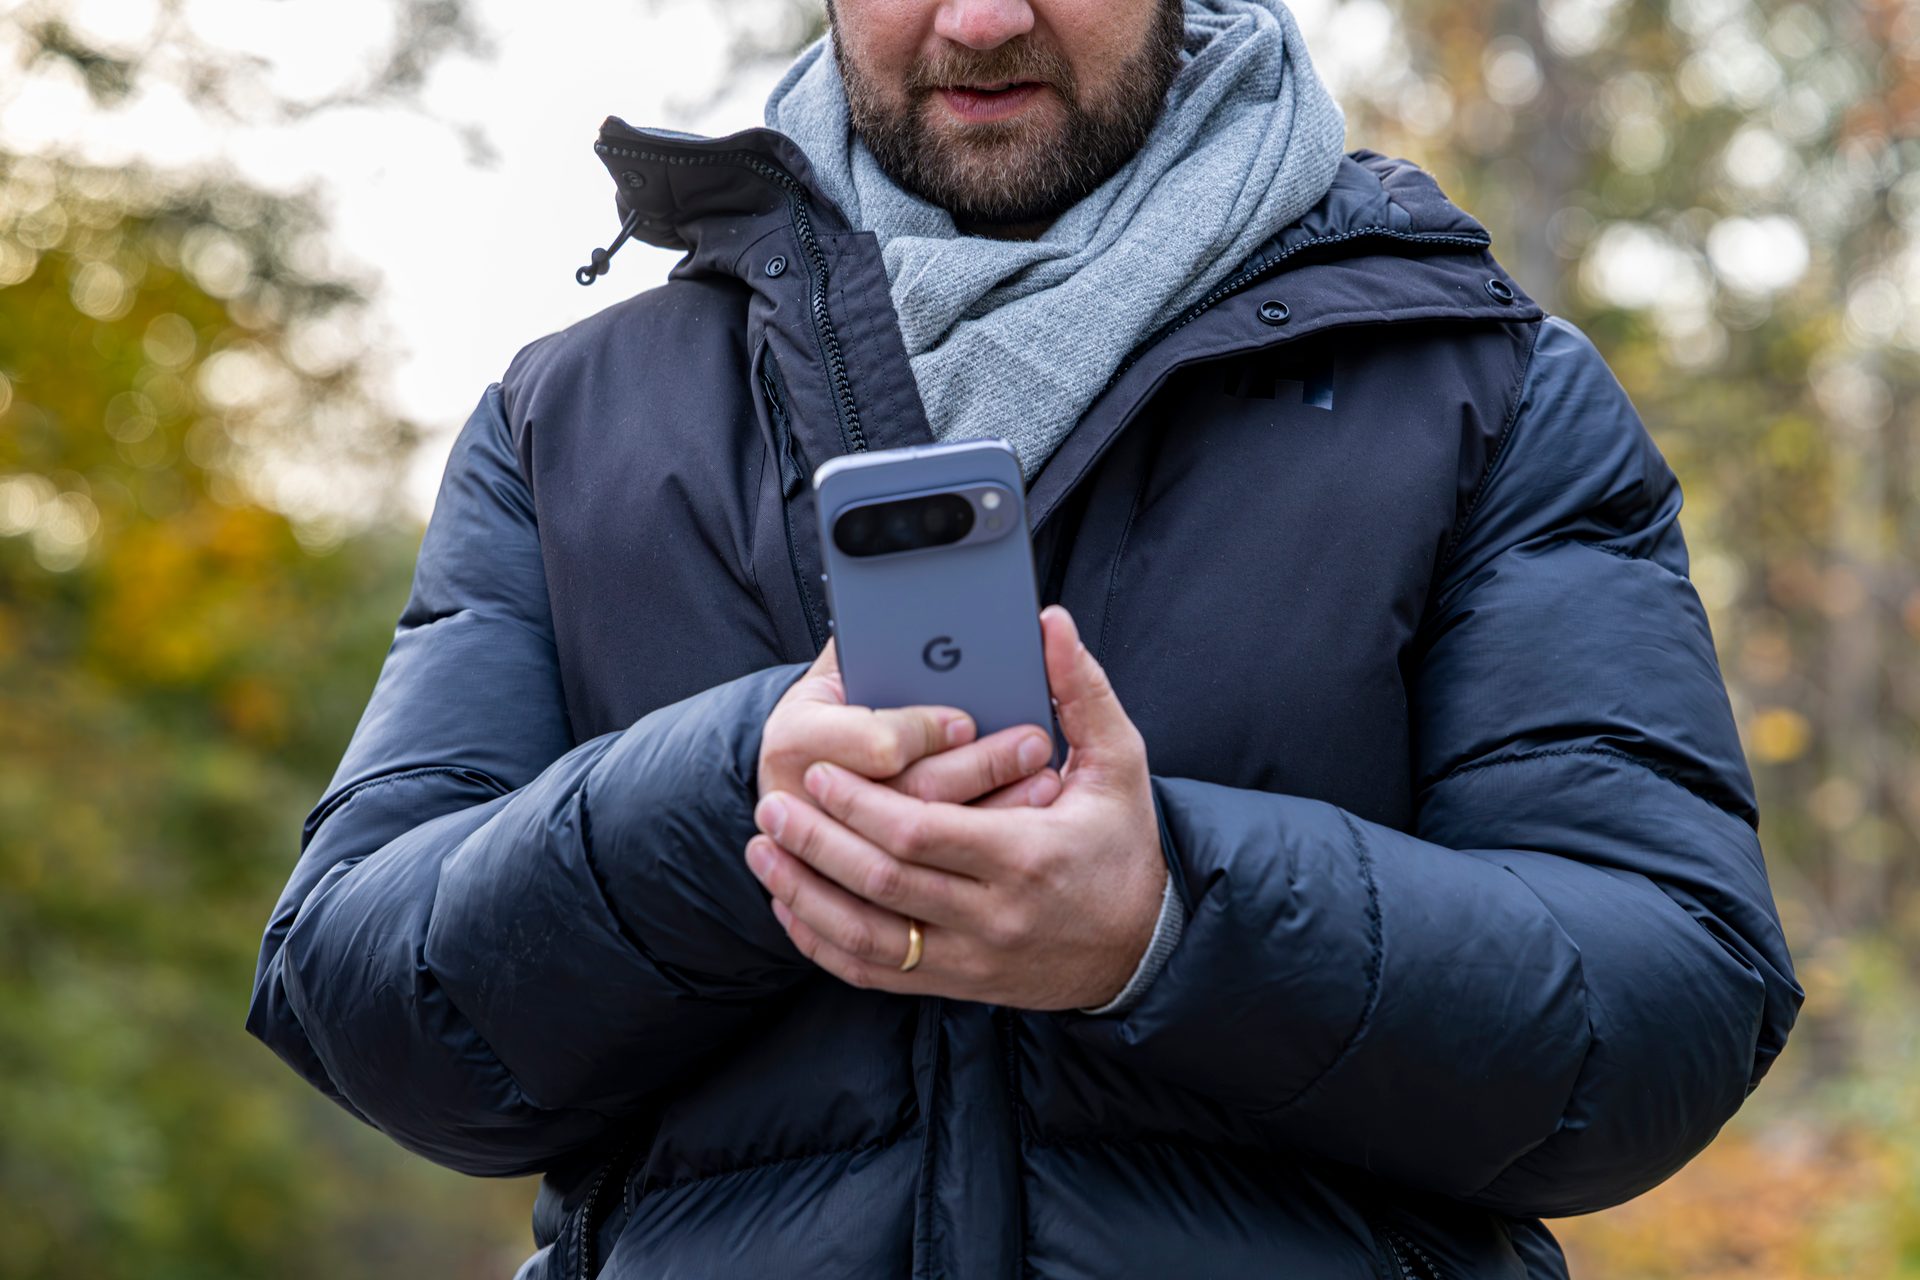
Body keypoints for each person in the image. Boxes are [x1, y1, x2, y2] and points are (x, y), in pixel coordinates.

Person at [246, 0, 1803, 1275]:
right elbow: (360, 999)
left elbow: (1665, 1009)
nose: (980, 22)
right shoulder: (566, 419)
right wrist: (736, 801)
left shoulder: (1488, 389)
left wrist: (1173, 924)